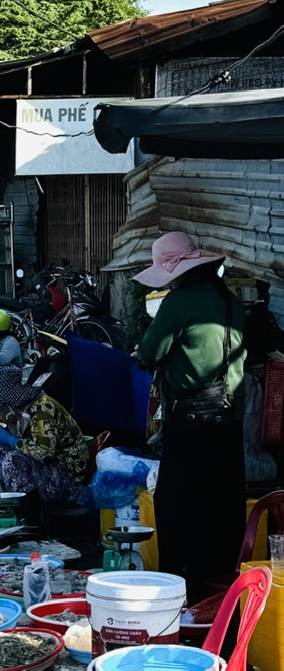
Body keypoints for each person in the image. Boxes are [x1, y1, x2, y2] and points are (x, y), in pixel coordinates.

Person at [135, 231, 246, 599]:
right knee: (222, 502)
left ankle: (180, 591)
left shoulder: (180, 302)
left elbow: (150, 352)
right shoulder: (229, 299)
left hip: (192, 417)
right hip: (229, 416)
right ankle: (221, 589)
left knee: (178, 504)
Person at [0, 365, 88, 504]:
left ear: (8, 402)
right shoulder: (19, 410)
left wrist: (11, 440)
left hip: (68, 480)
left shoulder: (43, 411)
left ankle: (28, 513)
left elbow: (44, 453)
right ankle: (10, 502)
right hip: (47, 472)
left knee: (14, 460)